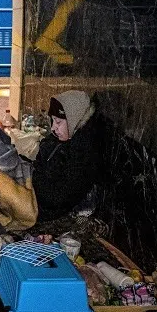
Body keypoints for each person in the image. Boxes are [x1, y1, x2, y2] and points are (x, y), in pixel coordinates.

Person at [30, 89, 101, 222]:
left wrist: (29, 176)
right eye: (53, 121)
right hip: (36, 197)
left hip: (45, 210)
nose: (53, 128)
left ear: (73, 119)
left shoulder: (82, 154)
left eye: (58, 122)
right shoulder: (57, 140)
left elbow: (57, 197)